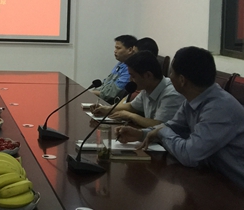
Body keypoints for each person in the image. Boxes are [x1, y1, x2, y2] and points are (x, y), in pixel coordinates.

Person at [117, 47, 244, 188]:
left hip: (235, 188)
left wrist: (161, 131)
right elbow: (172, 127)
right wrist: (141, 134)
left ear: (182, 80)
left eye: (171, 72)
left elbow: (189, 155)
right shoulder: (193, 99)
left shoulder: (219, 108)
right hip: (210, 177)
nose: (169, 77)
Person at [91, 50, 184, 127]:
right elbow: (132, 106)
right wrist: (107, 109)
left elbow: (160, 125)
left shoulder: (171, 93)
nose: (130, 80)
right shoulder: (147, 88)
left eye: (133, 76)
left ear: (148, 75)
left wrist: (131, 116)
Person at [91, 34, 137, 103]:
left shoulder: (129, 69)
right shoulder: (120, 63)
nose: (115, 51)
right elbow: (105, 85)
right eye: (115, 48)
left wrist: (91, 93)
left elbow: (111, 94)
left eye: (118, 48)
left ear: (130, 50)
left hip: (111, 104)